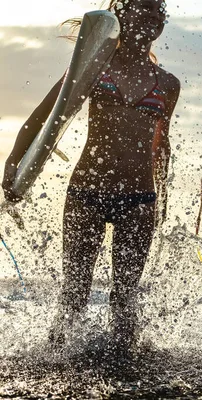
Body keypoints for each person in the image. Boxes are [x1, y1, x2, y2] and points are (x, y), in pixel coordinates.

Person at [2, 0, 180, 355]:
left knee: (126, 301)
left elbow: (162, 145)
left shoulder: (168, 83)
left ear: (161, 22)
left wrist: (162, 196)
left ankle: (125, 367)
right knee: (74, 293)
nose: (148, 15)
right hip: (87, 192)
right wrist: (13, 166)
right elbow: (44, 117)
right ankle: (54, 361)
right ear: (121, 14)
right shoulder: (93, 67)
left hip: (140, 199)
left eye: (155, 9)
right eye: (139, 7)